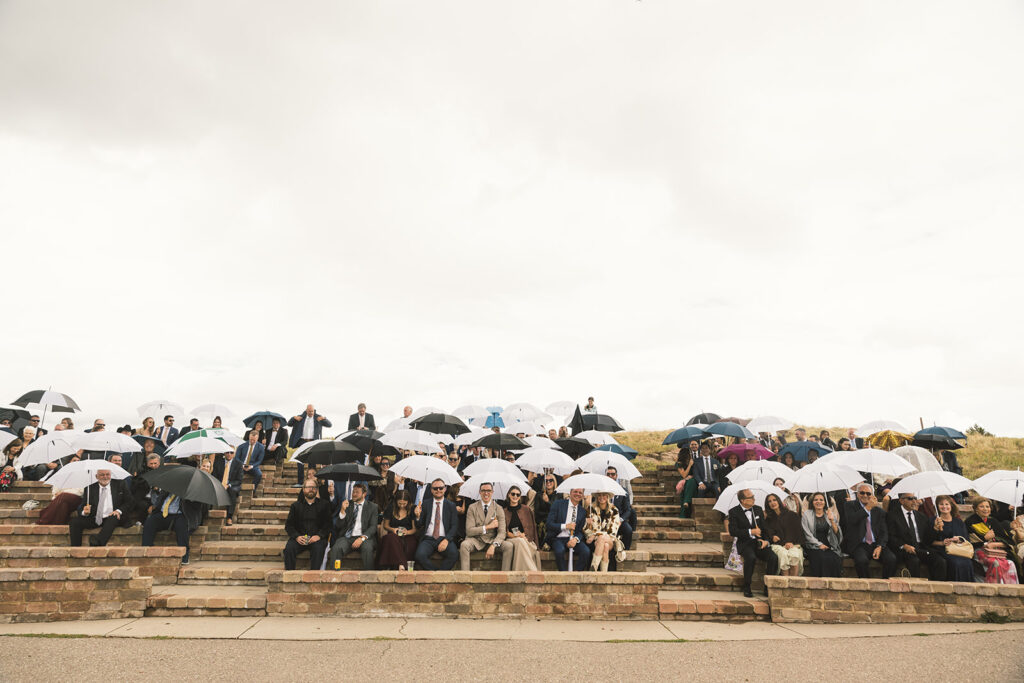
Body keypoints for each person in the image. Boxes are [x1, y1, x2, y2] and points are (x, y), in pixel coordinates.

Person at [728, 489, 779, 596]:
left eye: (753, 496)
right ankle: (747, 586)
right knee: (750, 558)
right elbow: (733, 531)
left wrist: (766, 541)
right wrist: (750, 531)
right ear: (743, 500)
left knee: (773, 557)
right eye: (750, 497)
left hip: (759, 542)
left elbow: (764, 528)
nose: (753, 499)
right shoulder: (734, 512)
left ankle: (767, 587)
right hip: (745, 543)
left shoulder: (758, 509)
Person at [841, 483, 897, 578]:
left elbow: (884, 531)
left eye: (868, 493)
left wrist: (880, 546)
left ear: (872, 495)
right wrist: (868, 508)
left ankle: (885, 584)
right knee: (861, 561)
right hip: (859, 544)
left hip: (876, 544)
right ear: (857, 494)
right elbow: (852, 520)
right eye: (862, 493)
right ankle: (866, 585)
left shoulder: (879, 511)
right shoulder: (849, 505)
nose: (865, 495)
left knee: (891, 559)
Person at [886, 493, 946, 580]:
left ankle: (938, 588)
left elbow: (927, 539)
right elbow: (891, 536)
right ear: (901, 501)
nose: (914, 501)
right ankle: (916, 590)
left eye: (915, 498)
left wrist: (935, 529)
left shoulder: (921, 516)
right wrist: (904, 546)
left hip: (921, 547)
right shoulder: (892, 515)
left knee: (940, 561)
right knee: (914, 561)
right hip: (904, 549)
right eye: (910, 498)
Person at [68, 468, 132, 547]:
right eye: (102, 475)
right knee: (75, 522)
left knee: (113, 517)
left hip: (114, 517)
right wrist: (84, 512)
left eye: (107, 474)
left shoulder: (120, 484)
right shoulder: (90, 487)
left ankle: (98, 542)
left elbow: (130, 502)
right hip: (96, 518)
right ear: (96, 476)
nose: (105, 477)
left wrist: (119, 511)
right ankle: (75, 548)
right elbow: (83, 505)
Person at [142, 487, 203, 564]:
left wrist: (188, 496)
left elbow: (196, 507)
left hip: (180, 514)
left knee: (181, 526)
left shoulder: (191, 490)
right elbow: (159, 501)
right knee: (150, 522)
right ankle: (146, 551)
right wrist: (154, 505)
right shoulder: (168, 487)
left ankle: (184, 557)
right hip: (163, 513)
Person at [965, 498, 1020, 584]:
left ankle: (1010, 589)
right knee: (995, 563)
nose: (985, 509)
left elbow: (1008, 541)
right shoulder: (970, 522)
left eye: (987, 506)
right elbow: (970, 541)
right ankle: (997, 588)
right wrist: (985, 539)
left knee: (1011, 563)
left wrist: (995, 544)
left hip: (997, 551)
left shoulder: (993, 521)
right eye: (981, 506)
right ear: (976, 509)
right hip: (979, 551)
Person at [460, 483, 513, 570]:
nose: (486, 493)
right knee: (464, 545)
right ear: (480, 492)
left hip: (492, 540)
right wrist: (488, 527)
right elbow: (469, 531)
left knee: (509, 546)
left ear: (492, 492)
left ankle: (504, 576)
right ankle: (465, 575)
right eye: (483, 490)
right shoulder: (472, 507)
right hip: (476, 540)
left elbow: (502, 532)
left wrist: (493, 545)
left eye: (488, 490)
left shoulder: (498, 508)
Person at [327, 483, 379, 570]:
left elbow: (373, 527)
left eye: (357, 492)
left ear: (364, 494)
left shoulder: (372, 507)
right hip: (347, 537)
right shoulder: (347, 505)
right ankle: (334, 574)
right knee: (336, 548)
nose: (354, 494)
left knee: (367, 548)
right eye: (353, 492)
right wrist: (342, 511)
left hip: (364, 538)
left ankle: (369, 576)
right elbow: (338, 526)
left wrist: (362, 538)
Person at [283, 480, 332, 570]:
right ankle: (289, 575)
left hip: (316, 538)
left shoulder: (324, 505)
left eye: (313, 487)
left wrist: (319, 536)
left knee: (318, 549)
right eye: (308, 487)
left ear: (317, 490)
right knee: (289, 549)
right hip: (300, 538)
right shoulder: (295, 506)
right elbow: (289, 525)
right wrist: (297, 537)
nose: (311, 489)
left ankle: (313, 577)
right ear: (303, 489)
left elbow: (328, 524)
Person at [413, 479, 458, 570]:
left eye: (441, 488)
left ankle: (441, 575)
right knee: (419, 555)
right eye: (435, 488)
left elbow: (454, 526)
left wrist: (446, 540)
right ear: (431, 490)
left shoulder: (451, 505)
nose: (438, 490)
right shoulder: (426, 504)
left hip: (444, 538)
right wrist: (417, 516)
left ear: (445, 489)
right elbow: (419, 525)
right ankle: (434, 574)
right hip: (428, 539)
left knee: (454, 554)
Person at [546, 488, 591, 572]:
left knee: (586, 551)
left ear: (583, 495)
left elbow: (581, 530)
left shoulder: (582, 511)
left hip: (573, 538)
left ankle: (576, 575)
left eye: (580, 492)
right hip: (557, 538)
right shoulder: (558, 504)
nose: (577, 494)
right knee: (560, 551)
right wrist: (565, 526)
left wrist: (576, 539)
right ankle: (564, 575)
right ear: (570, 493)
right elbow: (549, 524)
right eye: (575, 492)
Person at [930, 495, 974, 582]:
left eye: (947, 504)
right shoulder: (933, 520)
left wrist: (959, 540)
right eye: (941, 504)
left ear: (951, 506)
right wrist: (938, 533)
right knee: (955, 563)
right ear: (937, 507)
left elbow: (966, 539)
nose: (944, 507)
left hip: (958, 549)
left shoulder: (958, 522)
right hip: (942, 550)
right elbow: (929, 541)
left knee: (967, 562)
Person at [288, 405, 332, 485]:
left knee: (312, 462)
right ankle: (300, 482)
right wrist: (294, 418)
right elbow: (289, 424)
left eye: (312, 411)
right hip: (302, 441)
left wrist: (324, 418)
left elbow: (329, 425)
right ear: (306, 410)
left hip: (313, 442)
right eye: (309, 411)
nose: (311, 413)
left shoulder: (318, 418)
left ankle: (312, 481)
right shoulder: (300, 417)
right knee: (300, 461)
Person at [802, 492, 843, 577]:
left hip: (829, 545)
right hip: (813, 545)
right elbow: (807, 533)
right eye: (816, 500)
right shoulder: (807, 514)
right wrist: (819, 545)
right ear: (812, 502)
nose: (818, 502)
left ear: (825, 502)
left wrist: (831, 520)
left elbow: (837, 533)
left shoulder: (829, 514)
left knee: (834, 558)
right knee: (822, 558)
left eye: (821, 500)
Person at [763, 493, 804, 576]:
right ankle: (785, 583)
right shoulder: (768, 519)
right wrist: (773, 537)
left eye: (774, 500)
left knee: (794, 555)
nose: (772, 503)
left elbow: (798, 532)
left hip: (793, 544)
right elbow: (769, 534)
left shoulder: (792, 515)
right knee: (783, 555)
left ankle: (793, 583)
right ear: (767, 505)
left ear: (779, 501)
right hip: (778, 545)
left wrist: (791, 543)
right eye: (769, 501)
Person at [503, 485, 542, 571]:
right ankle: (532, 571)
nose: (515, 496)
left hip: (526, 539)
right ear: (509, 495)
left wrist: (535, 544)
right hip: (511, 539)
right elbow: (505, 532)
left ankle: (519, 570)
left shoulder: (526, 509)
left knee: (522, 542)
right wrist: (516, 536)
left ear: (520, 496)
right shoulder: (504, 511)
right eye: (513, 494)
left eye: (518, 495)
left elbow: (533, 528)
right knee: (520, 541)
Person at [378, 489, 418, 570]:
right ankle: (402, 565)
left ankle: (398, 565)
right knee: (390, 538)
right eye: (400, 503)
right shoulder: (391, 508)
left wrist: (407, 532)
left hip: (408, 535)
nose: (402, 505)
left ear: (408, 502)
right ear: (396, 501)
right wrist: (393, 529)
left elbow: (414, 529)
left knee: (410, 545)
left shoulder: (412, 508)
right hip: (393, 534)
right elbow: (386, 525)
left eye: (404, 503)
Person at [584, 491, 621, 572]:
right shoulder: (591, 509)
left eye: (604, 495)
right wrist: (587, 523)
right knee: (605, 546)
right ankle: (603, 573)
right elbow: (586, 529)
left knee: (602, 539)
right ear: (596, 497)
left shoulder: (614, 510)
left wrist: (596, 535)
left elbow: (612, 532)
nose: (601, 497)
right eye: (599, 495)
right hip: (594, 541)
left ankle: (593, 568)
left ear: (608, 497)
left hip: (610, 539)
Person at [606, 466, 634, 550]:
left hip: (619, 519)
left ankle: (625, 550)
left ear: (616, 476)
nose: (610, 476)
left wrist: (621, 520)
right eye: (608, 474)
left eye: (613, 474)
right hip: (605, 520)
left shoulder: (623, 491)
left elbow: (628, 510)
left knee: (628, 530)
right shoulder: (602, 490)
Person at [212, 448, 243, 526]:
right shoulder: (218, 462)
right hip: (219, 484)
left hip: (232, 485)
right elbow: (214, 476)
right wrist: (220, 485)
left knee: (232, 491)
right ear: (224, 453)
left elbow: (239, 480)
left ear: (234, 454)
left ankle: (229, 517)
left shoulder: (238, 464)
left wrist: (228, 485)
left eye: (231, 452)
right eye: (227, 452)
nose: (229, 454)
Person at [534, 474, 559, 547]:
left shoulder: (558, 495)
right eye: (546, 480)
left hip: (554, 522)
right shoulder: (539, 495)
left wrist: (547, 502)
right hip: (542, 522)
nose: (548, 482)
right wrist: (548, 517)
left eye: (551, 480)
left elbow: (557, 512)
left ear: (554, 482)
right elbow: (537, 512)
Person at [675, 445, 698, 519]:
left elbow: (696, 472)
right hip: (684, 482)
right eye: (689, 454)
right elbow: (684, 475)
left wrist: (692, 476)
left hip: (693, 481)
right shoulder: (679, 463)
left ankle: (686, 502)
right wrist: (690, 465)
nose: (690, 455)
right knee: (690, 483)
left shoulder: (692, 461)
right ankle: (686, 502)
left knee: (692, 482)